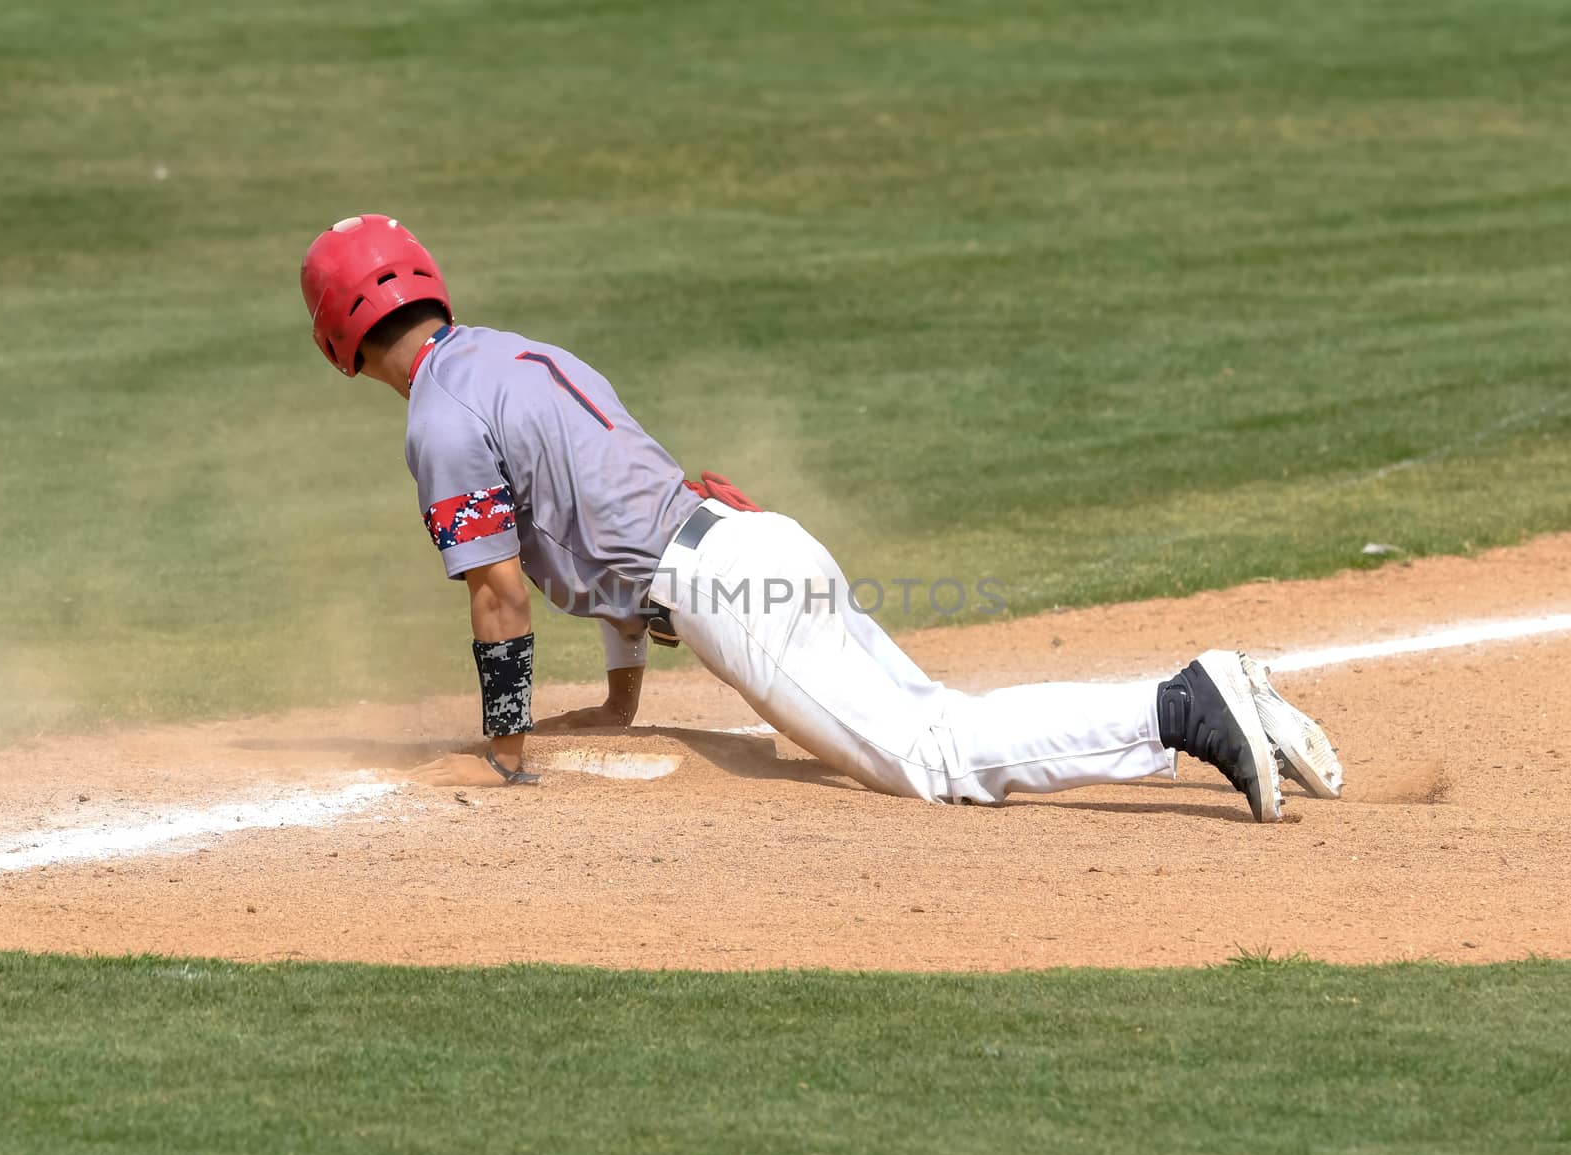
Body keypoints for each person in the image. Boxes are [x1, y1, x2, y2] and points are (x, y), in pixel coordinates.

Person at [299, 214, 1343, 821]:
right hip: (759, 547)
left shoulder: (438, 417)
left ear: (336, 339)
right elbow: (605, 505)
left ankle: (1182, 706)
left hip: (721, 590)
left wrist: (507, 741)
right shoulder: (518, 354)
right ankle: (1221, 700)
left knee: (932, 760)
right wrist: (620, 696)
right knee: (933, 715)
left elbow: (499, 590)